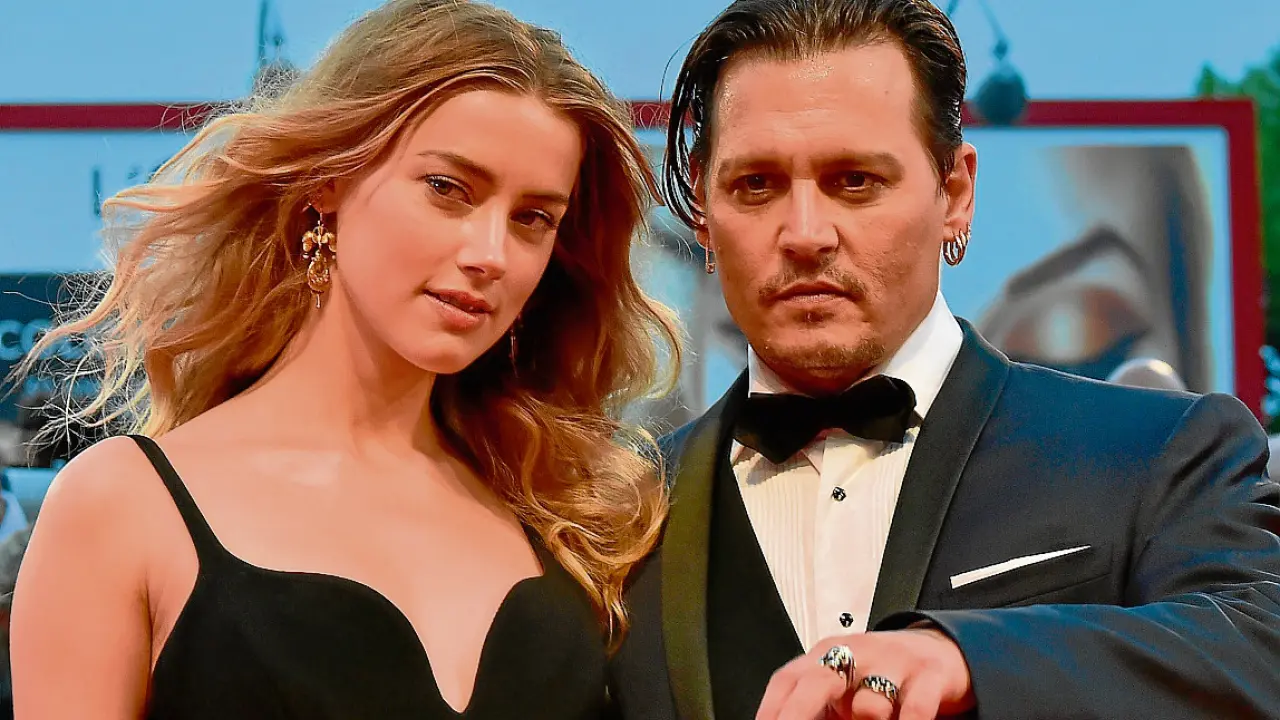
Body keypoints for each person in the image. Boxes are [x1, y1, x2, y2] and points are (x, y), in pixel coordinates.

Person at [608, 1, 1280, 719]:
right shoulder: (617, 519)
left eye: (855, 181)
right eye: (756, 185)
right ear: (702, 208)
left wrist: (968, 657)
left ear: (955, 193)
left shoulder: (1156, 453)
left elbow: (1260, 645)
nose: (804, 234)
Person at [10, 1, 679, 718]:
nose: (491, 255)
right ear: (328, 180)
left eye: (533, 219)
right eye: (447, 189)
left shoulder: (570, 518)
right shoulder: (122, 508)